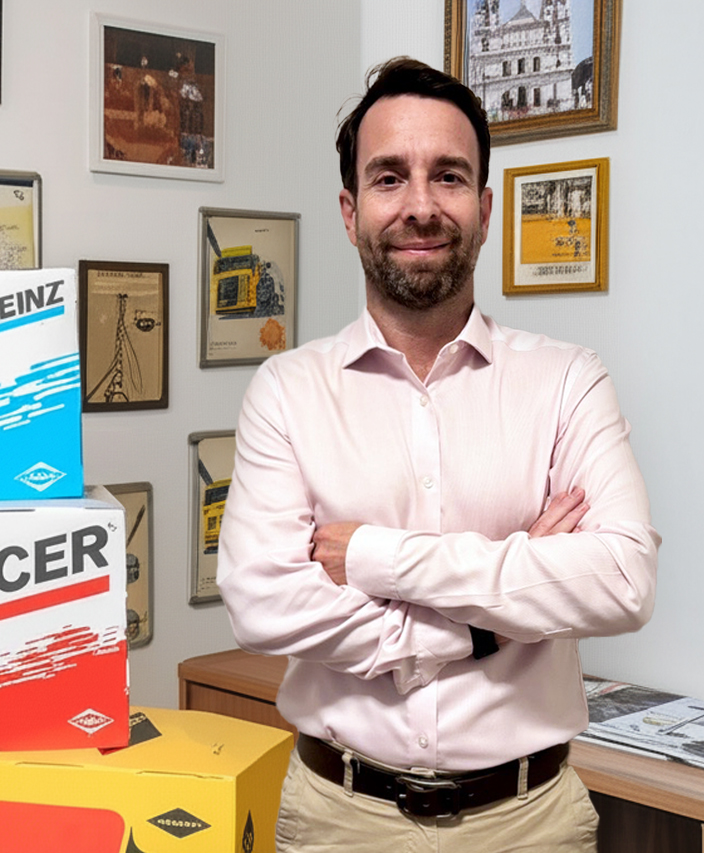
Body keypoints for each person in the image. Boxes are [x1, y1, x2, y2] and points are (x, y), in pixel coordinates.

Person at [217, 57, 658, 852]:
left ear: (484, 209)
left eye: (448, 176)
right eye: (390, 177)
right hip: (337, 819)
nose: (421, 205)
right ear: (350, 210)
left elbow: (622, 580)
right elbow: (261, 603)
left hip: (530, 822)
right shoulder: (287, 390)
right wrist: (490, 621)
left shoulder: (568, 381)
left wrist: (378, 556)